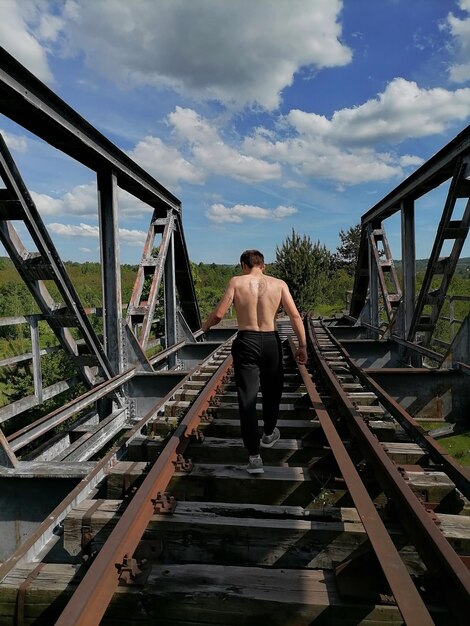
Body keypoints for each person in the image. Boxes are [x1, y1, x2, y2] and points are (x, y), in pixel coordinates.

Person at [202, 249, 307, 474]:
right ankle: (269, 433)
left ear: (243, 265)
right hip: (271, 340)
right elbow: (295, 316)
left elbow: (220, 314)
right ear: (264, 266)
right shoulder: (279, 284)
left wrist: (205, 326)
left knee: (247, 399)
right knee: (273, 390)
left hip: (246, 340)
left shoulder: (236, 282)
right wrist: (302, 346)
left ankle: (254, 457)